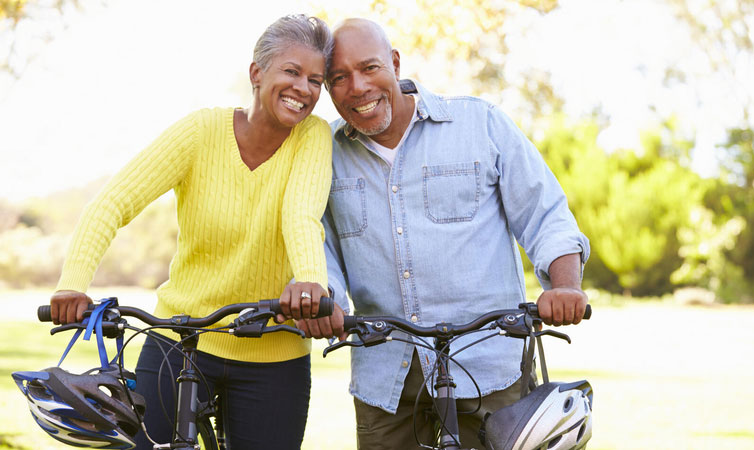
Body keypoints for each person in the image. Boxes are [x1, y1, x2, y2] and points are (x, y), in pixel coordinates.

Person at [297, 18, 591, 450]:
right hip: (387, 375)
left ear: (395, 64)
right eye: (339, 78)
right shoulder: (326, 153)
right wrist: (328, 300)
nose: (357, 87)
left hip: (489, 363)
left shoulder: (480, 124)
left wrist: (565, 287)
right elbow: (318, 243)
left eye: (370, 68)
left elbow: (545, 214)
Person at [48, 14, 333, 449]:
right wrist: (73, 285)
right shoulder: (201, 132)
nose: (304, 89)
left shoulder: (313, 137)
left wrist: (310, 283)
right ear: (256, 73)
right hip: (180, 339)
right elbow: (113, 202)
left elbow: (301, 213)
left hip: (274, 351)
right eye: (291, 72)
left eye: (315, 80)